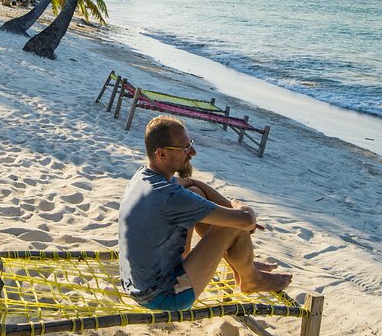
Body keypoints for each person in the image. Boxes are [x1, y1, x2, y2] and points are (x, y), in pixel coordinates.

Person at [118, 115, 291, 310]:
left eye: (189, 143)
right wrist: (237, 205)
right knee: (230, 225)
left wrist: (229, 208)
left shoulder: (145, 176)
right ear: (162, 154)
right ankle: (250, 277)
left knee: (196, 193)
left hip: (139, 282)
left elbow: (191, 183)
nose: (193, 152)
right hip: (162, 295)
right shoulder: (171, 196)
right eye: (185, 148)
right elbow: (246, 220)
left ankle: (244, 266)